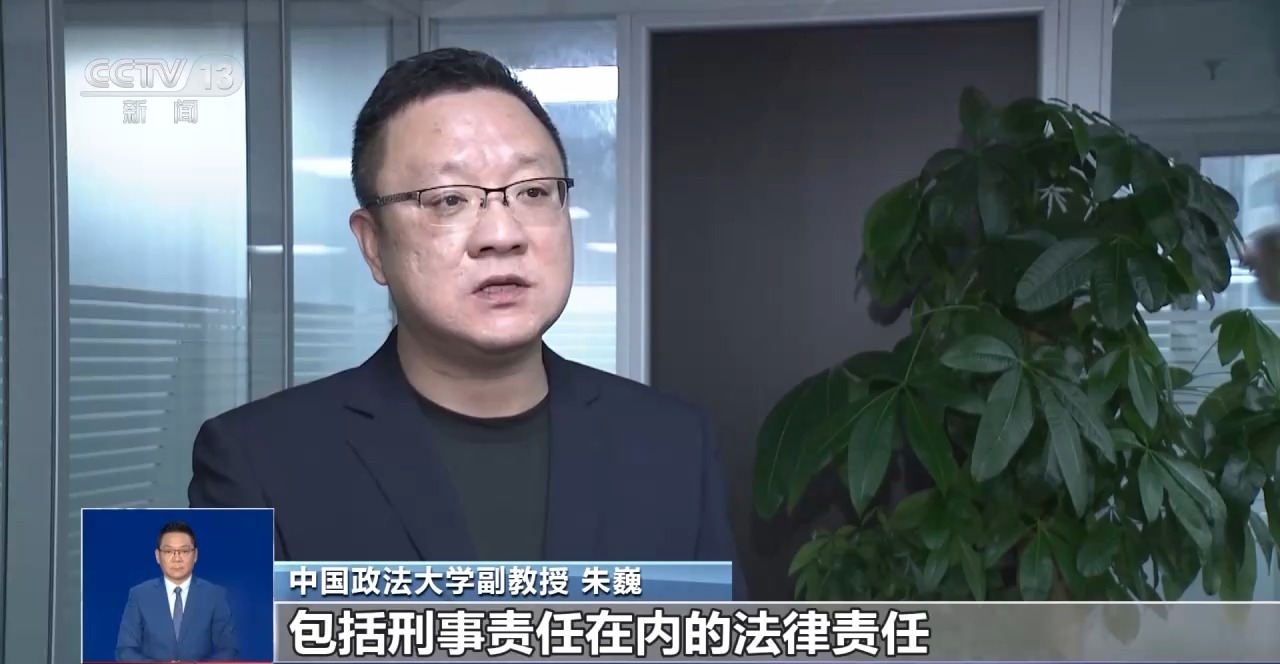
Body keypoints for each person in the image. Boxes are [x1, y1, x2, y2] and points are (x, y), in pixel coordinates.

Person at [188, 48, 743, 597]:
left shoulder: (673, 446)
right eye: (449, 200)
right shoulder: (256, 462)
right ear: (373, 244)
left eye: (532, 191)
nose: (502, 234)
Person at [115, 521, 238, 662]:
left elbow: (229, 649)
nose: (177, 558)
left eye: (184, 551)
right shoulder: (139, 595)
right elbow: (125, 651)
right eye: (168, 551)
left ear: (195, 555)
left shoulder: (215, 595)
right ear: (157, 556)